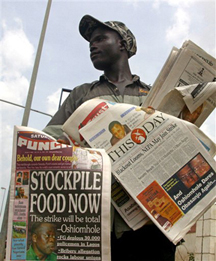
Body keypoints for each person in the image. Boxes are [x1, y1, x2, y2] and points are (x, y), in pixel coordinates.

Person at [43, 15, 176, 261]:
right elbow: (49, 139)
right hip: (94, 223)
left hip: (150, 225)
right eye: (90, 42)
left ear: (122, 44)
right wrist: (63, 145)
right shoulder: (83, 94)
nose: (92, 45)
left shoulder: (152, 97)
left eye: (100, 38)